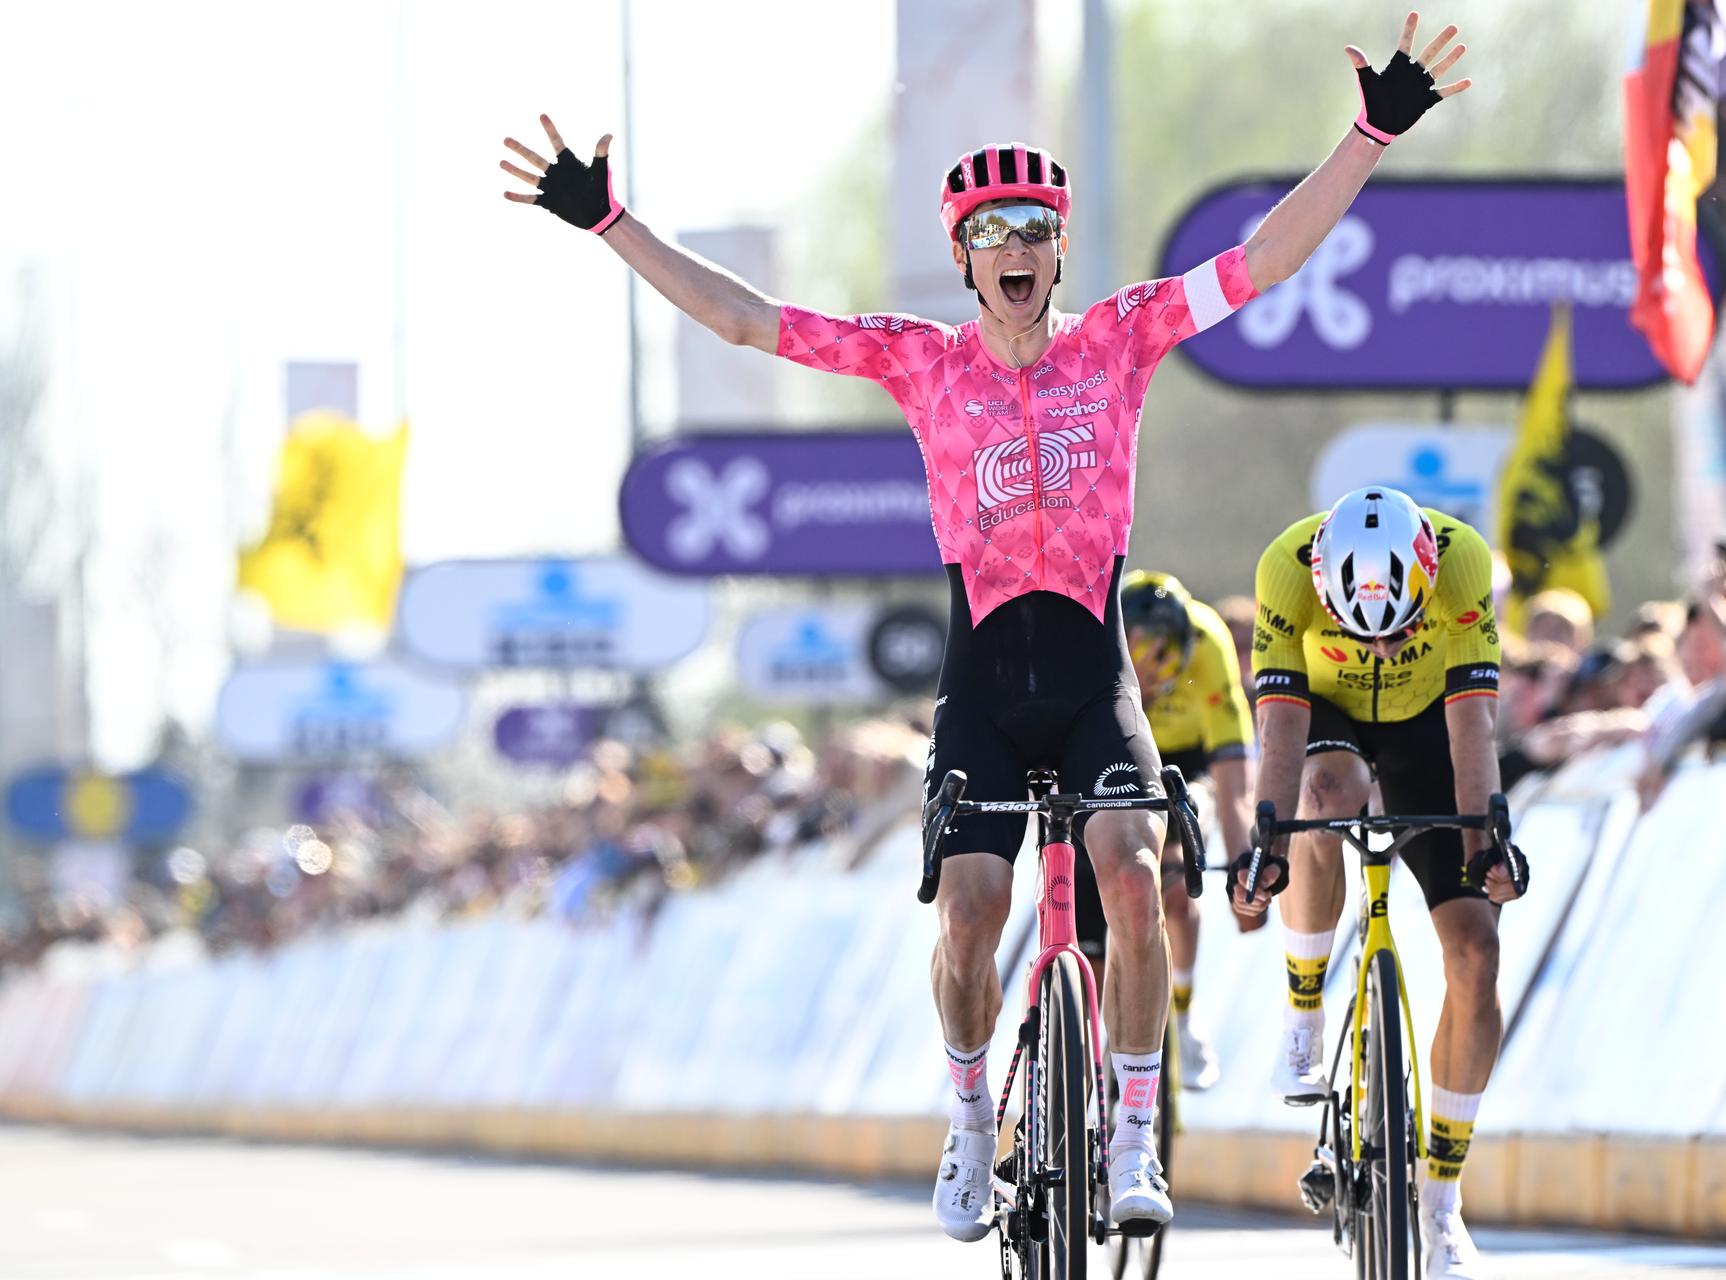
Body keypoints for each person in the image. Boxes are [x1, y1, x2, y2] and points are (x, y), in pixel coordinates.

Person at [502, 13, 1469, 1242]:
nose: (1016, 250)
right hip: (981, 681)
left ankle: (1130, 1132)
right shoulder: (921, 364)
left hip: (1087, 666)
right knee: (967, 912)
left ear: (1059, 252)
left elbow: (1264, 261)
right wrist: (611, 222)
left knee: (1133, 872)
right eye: (990, 235)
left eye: (1035, 232)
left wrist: (1370, 133)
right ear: (964, 261)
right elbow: (751, 323)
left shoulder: (1119, 342)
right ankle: (969, 1123)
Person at [1234, 487, 1518, 1280]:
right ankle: (1304, 1006)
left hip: (1431, 725)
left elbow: (1474, 728)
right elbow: (1279, 732)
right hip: (1328, 715)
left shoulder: (1462, 560)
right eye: (1366, 630)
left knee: (1475, 954)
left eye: (1400, 627)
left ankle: (1440, 1200)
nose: (1386, 645)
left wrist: (1483, 844)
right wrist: (1269, 836)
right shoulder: (1285, 569)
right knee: (1325, 798)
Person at [1072, 571, 1255, 1091]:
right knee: (1100, 919)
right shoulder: (1097, 637)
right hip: (1116, 748)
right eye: (1141, 676)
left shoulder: (1209, 643)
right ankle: (1097, 1048)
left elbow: (1232, 776)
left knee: (1173, 882)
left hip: (1183, 757)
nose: (1149, 686)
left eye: (1161, 676)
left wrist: (1243, 862)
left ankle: (1184, 1008)